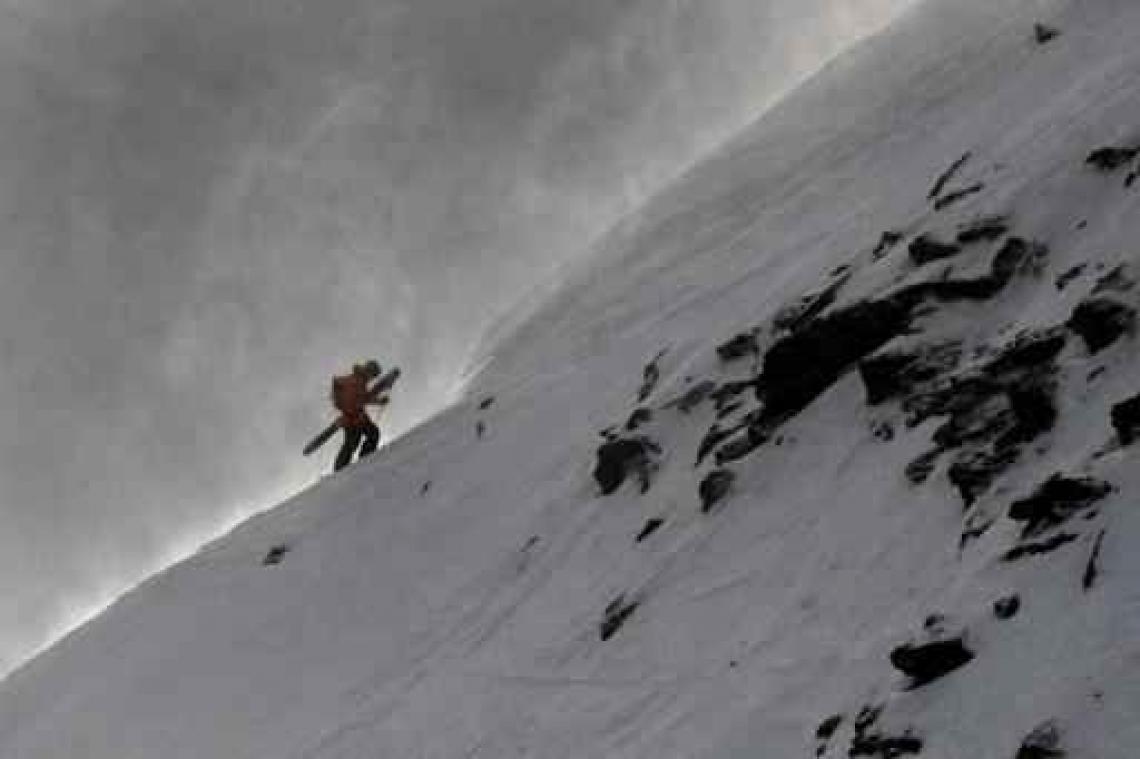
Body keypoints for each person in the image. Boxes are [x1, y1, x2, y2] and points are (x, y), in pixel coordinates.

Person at [330, 359, 389, 471]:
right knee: (360, 439)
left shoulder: (358, 379)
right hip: (353, 419)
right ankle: (344, 467)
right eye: (374, 374)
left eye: (375, 375)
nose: (373, 377)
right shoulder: (357, 381)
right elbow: (360, 399)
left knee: (357, 440)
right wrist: (378, 401)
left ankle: (344, 467)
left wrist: (379, 401)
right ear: (369, 370)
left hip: (354, 418)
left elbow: (362, 398)